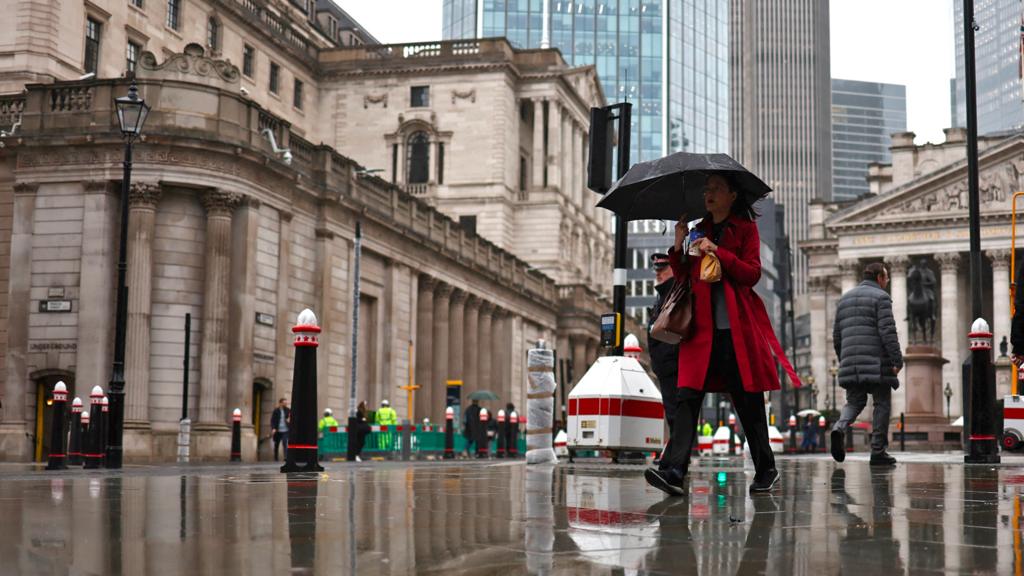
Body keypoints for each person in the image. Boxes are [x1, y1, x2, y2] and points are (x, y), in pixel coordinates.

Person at [644, 174, 799, 497]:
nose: (708, 194)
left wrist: (719, 251)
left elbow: (752, 273)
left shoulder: (745, 229)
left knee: (747, 402)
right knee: (687, 398)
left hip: (735, 330)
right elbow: (686, 274)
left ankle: (766, 469)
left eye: (715, 188)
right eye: (706, 189)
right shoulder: (699, 229)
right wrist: (679, 242)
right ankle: (674, 471)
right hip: (699, 333)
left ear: (731, 194)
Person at [830, 262, 903, 466]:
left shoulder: (844, 300)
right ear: (879, 277)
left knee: (854, 402)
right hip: (877, 363)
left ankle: (839, 428)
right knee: (881, 403)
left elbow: (837, 337)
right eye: (886, 278)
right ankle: (878, 451)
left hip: (850, 362)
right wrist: (897, 360)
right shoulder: (881, 297)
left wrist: (844, 359)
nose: (887, 282)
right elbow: (887, 332)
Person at [647, 252, 680, 468]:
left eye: (663, 269)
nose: (658, 274)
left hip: (673, 364)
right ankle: (674, 459)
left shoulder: (675, 293)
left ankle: (674, 462)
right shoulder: (663, 295)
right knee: (674, 415)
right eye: (657, 270)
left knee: (678, 415)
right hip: (666, 365)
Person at [270, 397, 290, 461]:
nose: (286, 404)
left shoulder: (288, 410)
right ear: (280, 403)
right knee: (277, 444)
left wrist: (289, 420)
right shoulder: (276, 410)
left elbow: (291, 417)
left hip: (286, 430)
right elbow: (272, 420)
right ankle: (276, 458)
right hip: (278, 430)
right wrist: (273, 428)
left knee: (285, 442)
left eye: (286, 402)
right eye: (284, 403)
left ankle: (286, 457)